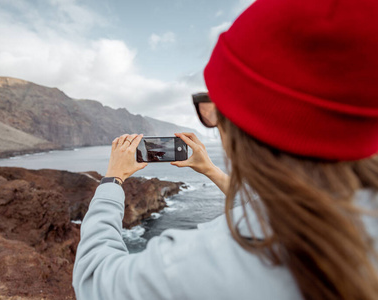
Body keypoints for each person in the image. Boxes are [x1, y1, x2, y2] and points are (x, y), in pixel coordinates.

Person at [72, 0, 378, 299]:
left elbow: (94, 279)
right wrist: (209, 170)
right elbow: (276, 206)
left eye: (214, 107)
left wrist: (112, 180)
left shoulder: (201, 263)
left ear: (243, 123)